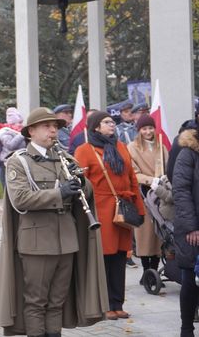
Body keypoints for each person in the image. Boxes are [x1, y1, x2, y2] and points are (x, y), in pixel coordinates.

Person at [0, 107, 107, 336]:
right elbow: (20, 199)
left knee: (57, 301)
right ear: (31, 131)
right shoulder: (19, 162)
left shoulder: (65, 158)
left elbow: (86, 192)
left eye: (55, 126)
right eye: (47, 126)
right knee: (36, 302)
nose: (53, 131)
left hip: (66, 239)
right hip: (37, 242)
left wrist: (82, 182)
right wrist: (59, 194)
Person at [75, 111, 145, 320]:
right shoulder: (84, 150)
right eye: (106, 122)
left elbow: (132, 178)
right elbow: (79, 185)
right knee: (103, 258)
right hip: (101, 211)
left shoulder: (121, 146)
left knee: (119, 258)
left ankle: (118, 303)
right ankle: (104, 305)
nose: (112, 125)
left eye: (112, 122)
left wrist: (139, 209)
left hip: (121, 211)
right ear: (96, 127)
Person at [127, 114, 166, 284]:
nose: (148, 131)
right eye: (144, 128)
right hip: (143, 194)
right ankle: (146, 271)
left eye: (150, 128)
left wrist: (163, 180)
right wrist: (151, 180)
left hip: (161, 195)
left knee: (159, 233)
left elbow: (167, 164)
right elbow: (133, 172)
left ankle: (155, 271)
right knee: (145, 235)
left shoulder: (161, 145)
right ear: (139, 130)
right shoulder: (132, 147)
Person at [171, 125, 199, 337]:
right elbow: (180, 190)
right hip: (193, 227)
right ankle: (186, 328)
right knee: (190, 279)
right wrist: (191, 227)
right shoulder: (187, 153)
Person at [0, 107, 26, 190]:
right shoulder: (5, 132)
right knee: (9, 188)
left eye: (21, 122)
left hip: (21, 161)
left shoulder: (21, 131)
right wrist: (21, 135)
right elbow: (10, 145)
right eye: (18, 123)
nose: (20, 125)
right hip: (8, 163)